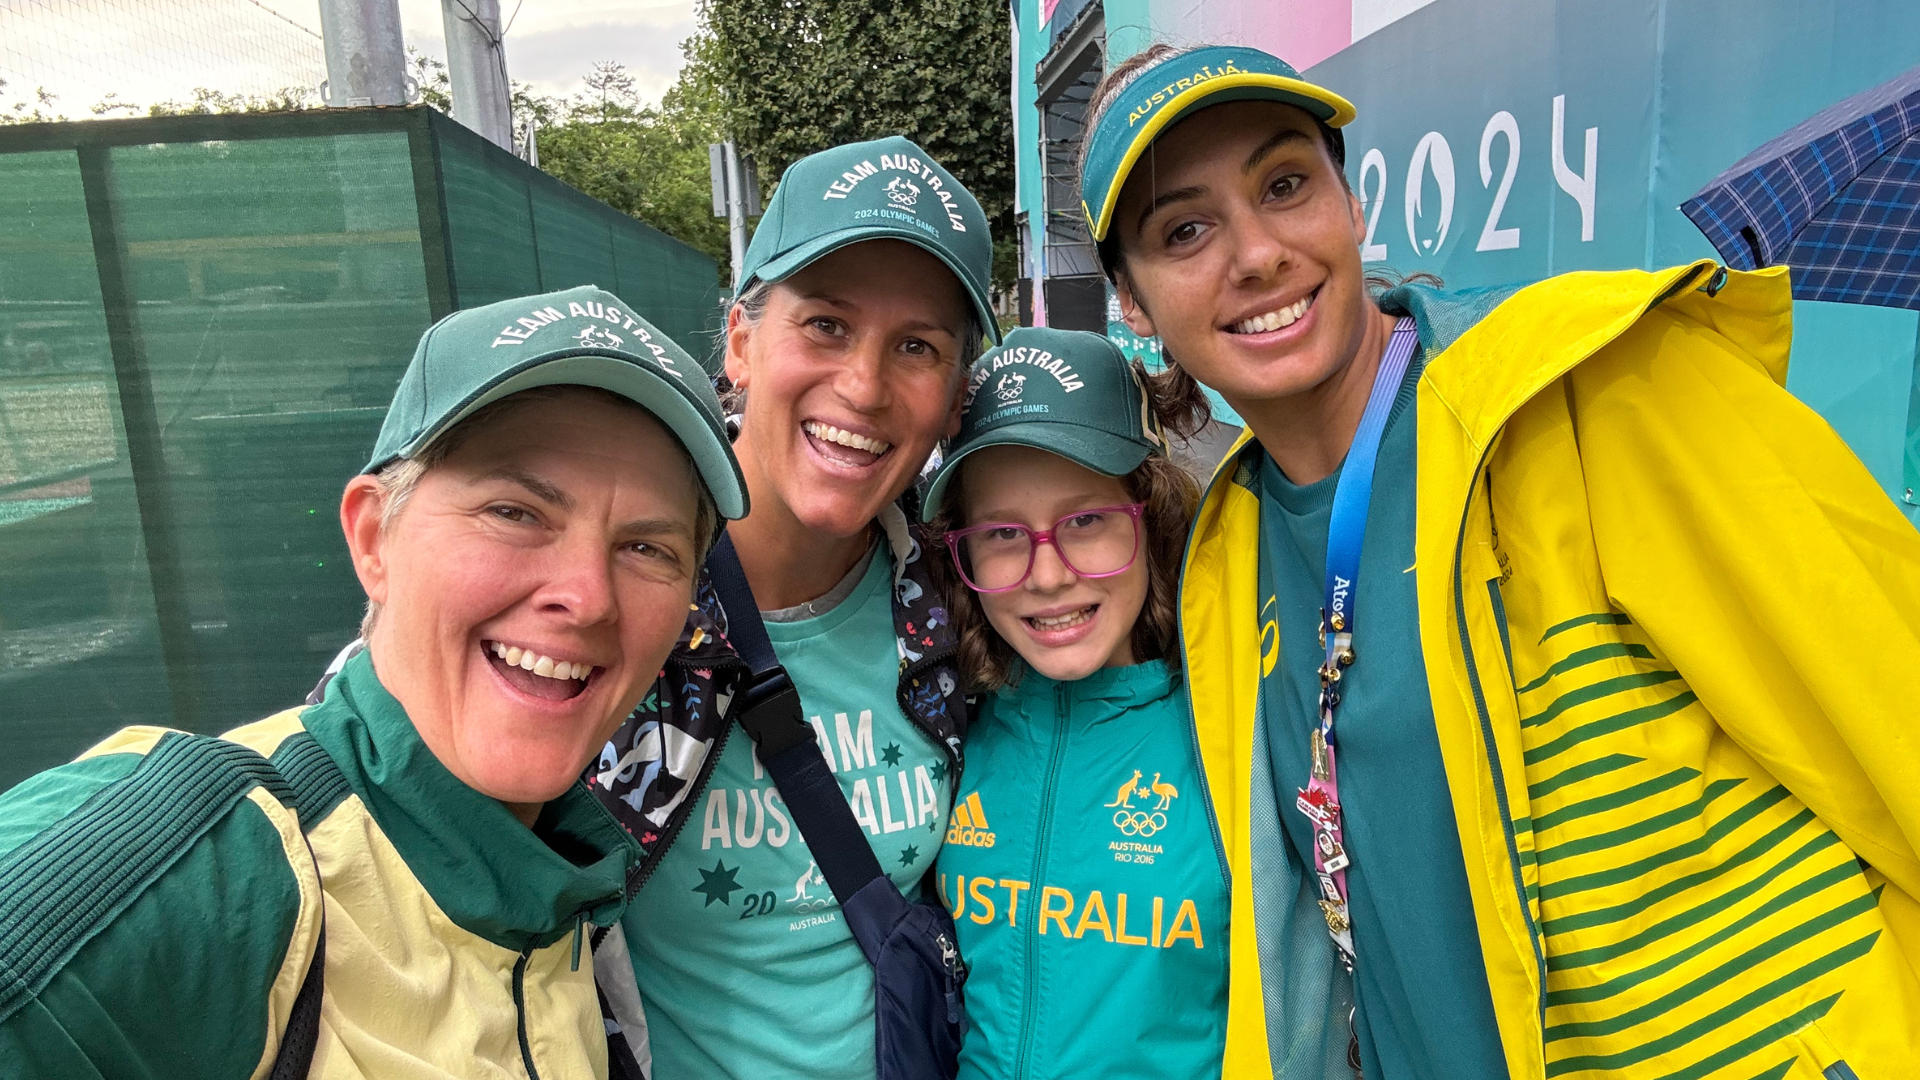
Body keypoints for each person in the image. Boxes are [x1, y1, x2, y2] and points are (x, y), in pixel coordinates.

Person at [1078, 42, 1920, 1080]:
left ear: (1349, 203)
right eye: (1187, 229)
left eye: (1286, 183)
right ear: (1133, 304)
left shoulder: (1597, 388)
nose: (1256, 254)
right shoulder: (1227, 557)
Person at [0, 285, 749, 1078]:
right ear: (371, 538)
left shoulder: (557, 875)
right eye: (515, 512)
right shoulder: (212, 865)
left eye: (646, 549)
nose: (589, 596)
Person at [588, 135, 998, 1080]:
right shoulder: (609, 593)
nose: (863, 386)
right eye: (824, 325)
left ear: (953, 399)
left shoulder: (959, 606)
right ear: (740, 341)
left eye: (917, 347)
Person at [918, 326, 1235, 1079]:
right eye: (1001, 533)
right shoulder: (949, 729)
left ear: (1148, 512)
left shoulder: (1234, 728)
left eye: (1085, 521)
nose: (1048, 575)